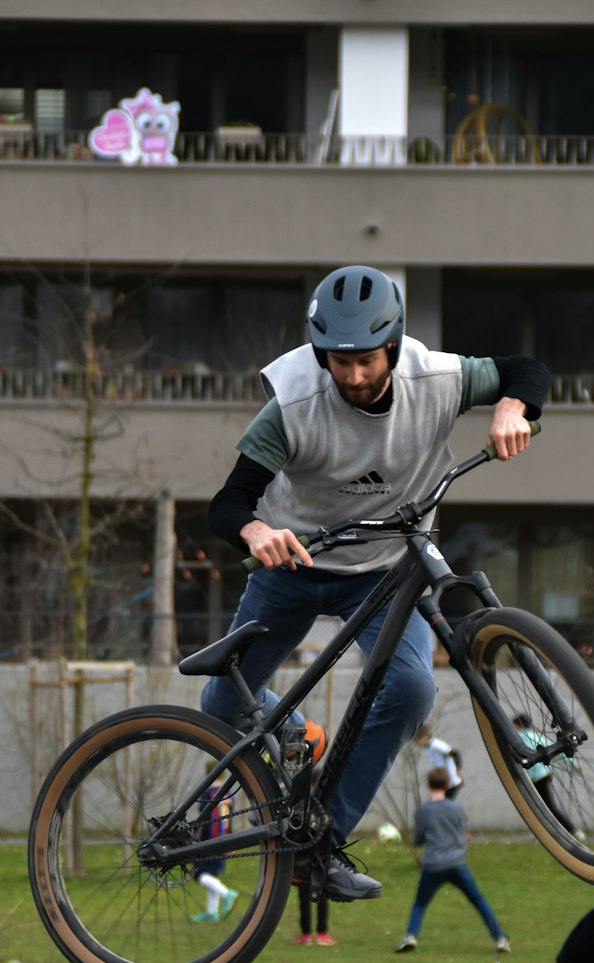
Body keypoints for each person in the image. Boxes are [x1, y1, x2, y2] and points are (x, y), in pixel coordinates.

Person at [201, 264, 549, 903]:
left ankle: (321, 840)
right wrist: (256, 535)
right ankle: (292, 731)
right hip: (298, 563)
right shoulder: (293, 403)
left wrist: (509, 407)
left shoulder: (438, 378)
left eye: (366, 360)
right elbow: (229, 501)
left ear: (391, 345)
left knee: (413, 689)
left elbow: (526, 368)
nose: (353, 377)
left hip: (385, 570)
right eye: (338, 362)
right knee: (222, 703)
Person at [395, 766, 510, 954]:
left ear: (428, 784)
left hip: (433, 865)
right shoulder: (456, 808)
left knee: (420, 903)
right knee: (478, 900)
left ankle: (410, 936)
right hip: (457, 863)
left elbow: (417, 840)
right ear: (448, 785)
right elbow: (464, 835)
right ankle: (500, 938)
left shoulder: (423, 810)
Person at [512, 713, 579, 835]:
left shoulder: (518, 737)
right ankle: (552, 832)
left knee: (546, 806)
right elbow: (555, 750)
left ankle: (571, 830)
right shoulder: (536, 736)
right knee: (543, 805)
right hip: (545, 773)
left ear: (518, 725)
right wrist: (574, 764)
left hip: (536, 776)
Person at [191, 781, 238, 923]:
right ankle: (212, 912)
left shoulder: (207, 793)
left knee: (198, 874)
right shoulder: (229, 793)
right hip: (223, 838)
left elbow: (202, 813)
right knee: (213, 876)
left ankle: (227, 894)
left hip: (209, 839)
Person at [414, 724, 464, 799]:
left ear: (424, 737)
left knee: (443, 805)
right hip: (445, 783)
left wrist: (458, 769)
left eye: (418, 740)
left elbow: (455, 752)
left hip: (452, 782)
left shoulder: (435, 744)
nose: (417, 744)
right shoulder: (429, 748)